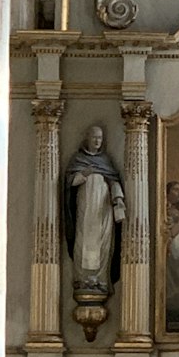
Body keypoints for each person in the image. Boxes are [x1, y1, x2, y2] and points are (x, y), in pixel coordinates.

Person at [63, 125, 125, 293]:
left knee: (103, 242)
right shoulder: (78, 159)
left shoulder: (106, 162)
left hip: (103, 208)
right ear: (87, 138)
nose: (97, 141)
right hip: (85, 206)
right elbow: (70, 183)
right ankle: (82, 279)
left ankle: (101, 279)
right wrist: (83, 175)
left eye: (100, 138)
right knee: (82, 241)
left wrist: (118, 199)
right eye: (94, 137)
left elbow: (114, 181)